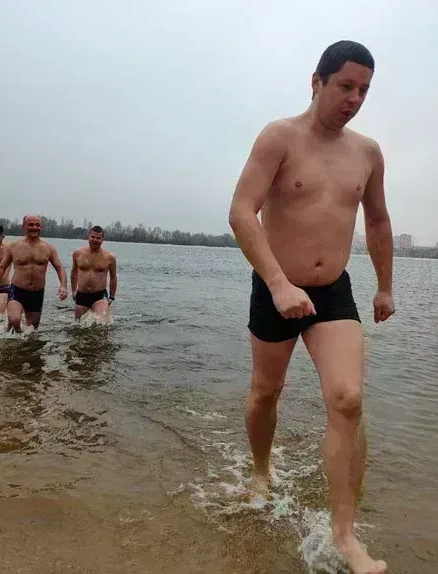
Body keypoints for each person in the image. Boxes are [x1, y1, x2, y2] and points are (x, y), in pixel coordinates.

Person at [228, 41, 394, 574]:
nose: (355, 99)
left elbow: (378, 220)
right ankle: (260, 471)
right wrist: (278, 283)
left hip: (333, 291)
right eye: (346, 86)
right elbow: (241, 211)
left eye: (364, 90)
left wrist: (385, 286)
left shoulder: (367, 152)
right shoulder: (280, 137)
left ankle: (344, 536)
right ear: (316, 81)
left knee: (347, 398)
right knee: (265, 392)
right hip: (275, 286)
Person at [0, 215, 68, 332]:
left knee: (32, 330)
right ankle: (9, 337)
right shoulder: (13, 246)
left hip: (36, 293)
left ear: (41, 227)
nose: (34, 227)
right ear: (23, 227)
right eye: (31, 225)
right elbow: (1, 268)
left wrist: (63, 286)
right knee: (14, 320)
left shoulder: (49, 248)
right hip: (17, 290)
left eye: (37, 225)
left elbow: (59, 268)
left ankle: (16, 337)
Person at [70, 225, 117, 322]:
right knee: (78, 325)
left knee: (101, 323)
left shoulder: (110, 257)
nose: (95, 240)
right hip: (82, 294)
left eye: (98, 238)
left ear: (102, 239)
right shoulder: (77, 253)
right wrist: (73, 291)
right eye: (93, 237)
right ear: (88, 237)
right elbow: (74, 272)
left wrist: (112, 296)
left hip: (100, 295)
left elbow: (113, 277)